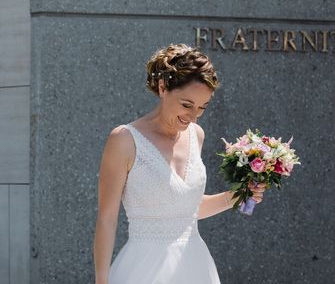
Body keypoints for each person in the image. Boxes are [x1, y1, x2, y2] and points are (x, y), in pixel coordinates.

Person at [93, 43, 267, 284]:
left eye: (202, 107)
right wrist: (101, 281)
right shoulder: (124, 140)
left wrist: (240, 195)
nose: (193, 116)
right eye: (187, 105)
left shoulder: (197, 135)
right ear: (163, 88)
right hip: (144, 269)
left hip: (196, 266)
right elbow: (107, 218)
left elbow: (187, 209)